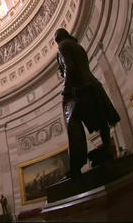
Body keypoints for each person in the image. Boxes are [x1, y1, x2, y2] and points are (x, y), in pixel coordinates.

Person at [55, 28, 120, 177]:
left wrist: (66, 91)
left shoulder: (63, 46)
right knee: (102, 119)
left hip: (78, 89)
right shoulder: (78, 46)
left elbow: (69, 68)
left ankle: (76, 165)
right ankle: (108, 150)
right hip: (93, 85)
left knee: (72, 123)